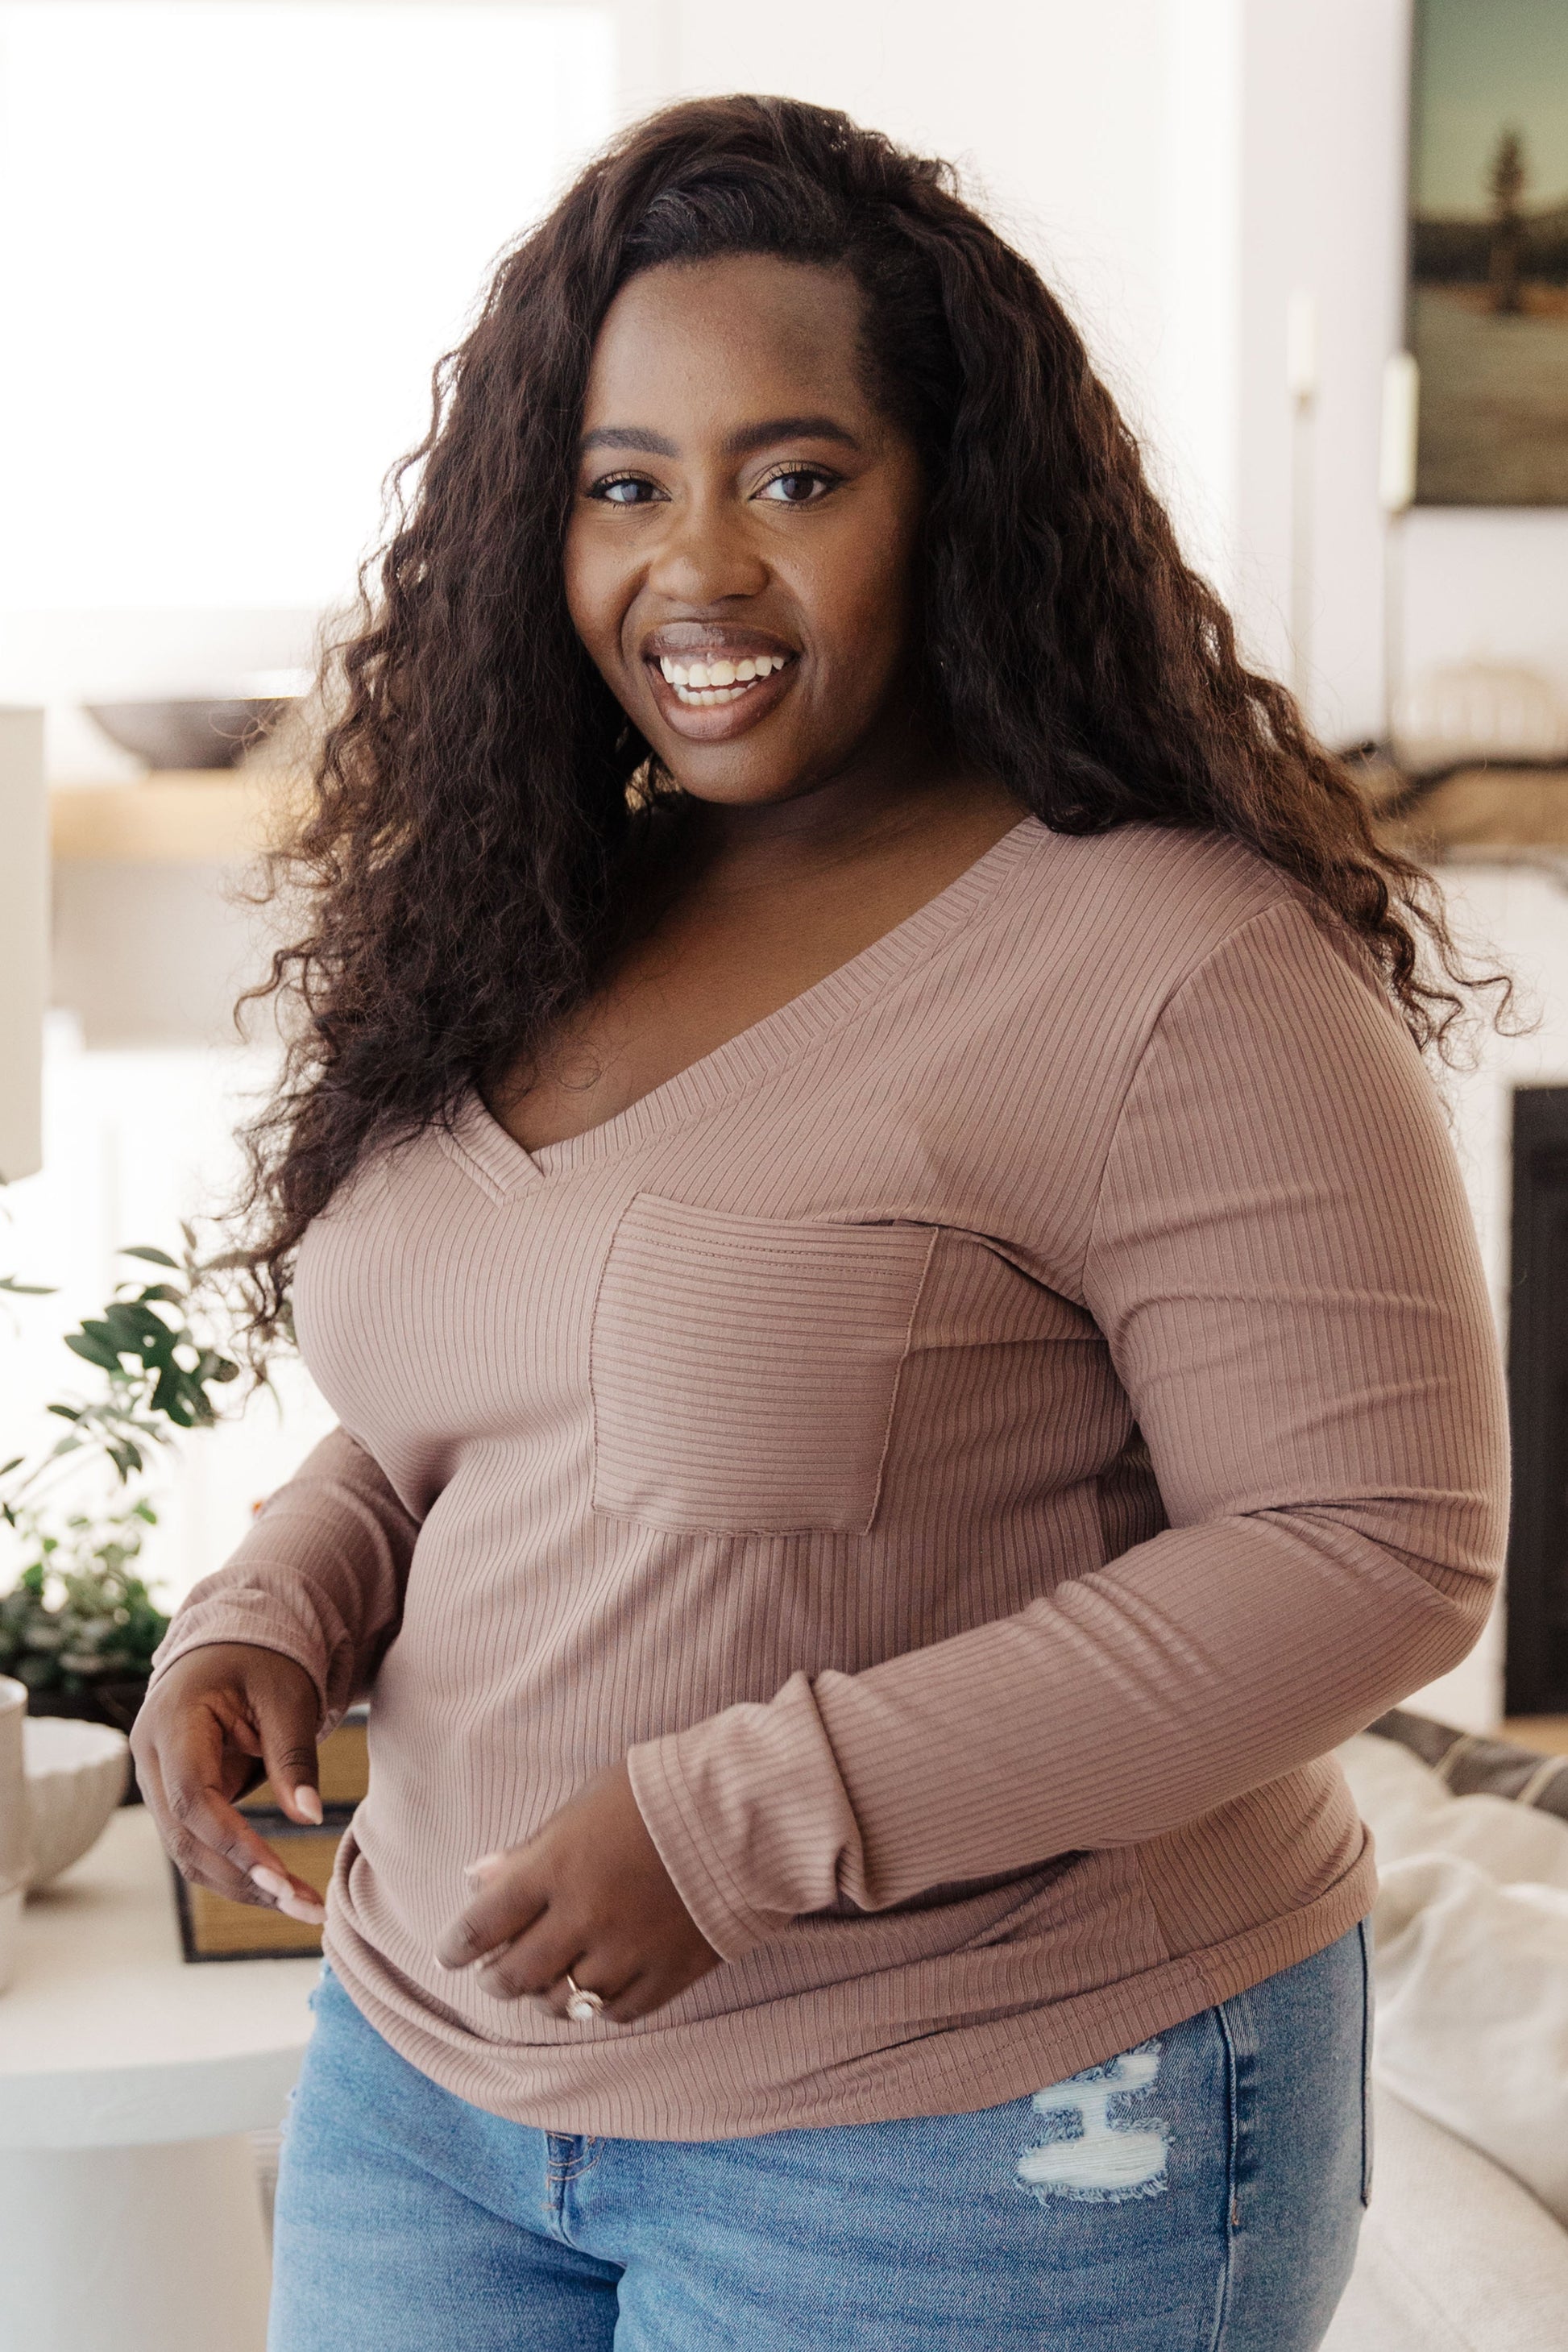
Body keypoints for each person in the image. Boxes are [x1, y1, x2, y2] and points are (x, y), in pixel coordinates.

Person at [133, 96, 1508, 2352]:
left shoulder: (1177, 965)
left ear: (954, 495)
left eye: (793, 479)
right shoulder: (539, 913)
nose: (697, 569)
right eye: (622, 486)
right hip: (426, 2084)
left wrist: (744, 1821)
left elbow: (1371, 1550)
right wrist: (276, 1605)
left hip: (985, 2128)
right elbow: (496, 1400)